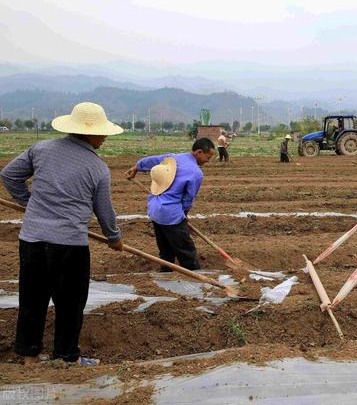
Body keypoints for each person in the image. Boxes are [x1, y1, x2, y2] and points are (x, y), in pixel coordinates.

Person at [0, 102, 124, 366]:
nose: (103, 138)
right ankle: (67, 357)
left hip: (32, 240)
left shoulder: (41, 149)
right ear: (88, 133)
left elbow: (9, 175)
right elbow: (104, 211)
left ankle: (29, 356)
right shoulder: (98, 168)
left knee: (31, 299)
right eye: (101, 133)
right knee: (70, 304)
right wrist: (114, 238)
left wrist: (28, 203)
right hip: (69, 246)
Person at [125, 138, 216, 271]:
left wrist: (136, 167)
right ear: (199, 152)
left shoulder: (173, 158)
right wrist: (183, 215)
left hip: (155, 210)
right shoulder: (196, 173)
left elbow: (152, 161)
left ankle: (165, 276)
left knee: (166, 250)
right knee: (186, 251)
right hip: (170, 214)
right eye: (208, 157)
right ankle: (197, 281)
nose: (208, 161)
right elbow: (188, 199)